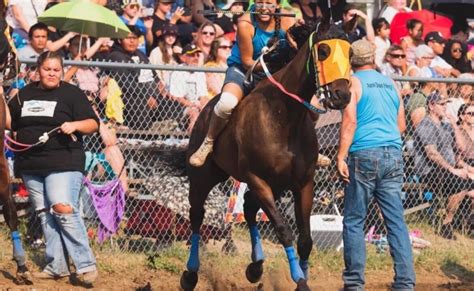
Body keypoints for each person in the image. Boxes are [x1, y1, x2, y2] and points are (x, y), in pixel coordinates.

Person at [6, 51, 99, 283]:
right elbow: (9, 122)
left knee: (62, 207)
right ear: (38, 70)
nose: (51, 73)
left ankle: (85, 264)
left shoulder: (71, 93)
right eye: (47, 69)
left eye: (56, 69)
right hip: (31, 164)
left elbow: (92, 124)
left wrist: (75, 124)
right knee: (45, 213)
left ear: (61, 71)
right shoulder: (23, 94)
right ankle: (56, 265)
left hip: (64, 161)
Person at [336, 39, 415, 290]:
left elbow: (349, 122)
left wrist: (340, 156)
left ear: (352, 60)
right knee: (395, 221)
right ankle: (405, 283)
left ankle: (354, 284)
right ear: (373, 58)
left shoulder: (353, 83)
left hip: (363, 154)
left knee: (354, 220)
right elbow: (401, 125)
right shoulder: (391, 84)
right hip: (393, 153)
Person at [189, 0, 296, 167]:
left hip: (277, 72)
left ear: (278, 4)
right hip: (244, 70)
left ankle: (304, 146)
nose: (264, 7)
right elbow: (247, 62)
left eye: (269, 2)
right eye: (260, 2)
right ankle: (208, 142)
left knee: (310, 104)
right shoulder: (245, 23)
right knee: (226, 103)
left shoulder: (288, 20)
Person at [413, 92, 473, 239]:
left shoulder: (446, 126)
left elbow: (462, 148)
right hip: (430, 170)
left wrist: (454, 124)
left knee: (467, 183)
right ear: (431, 106)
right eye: (442, 104)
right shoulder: (425, 124)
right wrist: (453, 169)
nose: (445, 107)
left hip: (450, 169)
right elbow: (431, 153)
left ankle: (466, 223)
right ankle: (447, 223)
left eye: (446, 104)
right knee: (462, 182)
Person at [106, 25, 159, 130]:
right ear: (120, 40)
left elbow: (153, 74)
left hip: (148, 93)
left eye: (134, 38)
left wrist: (160, 86)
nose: (132, 41)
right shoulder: (116, 56)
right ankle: (144, 134)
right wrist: (146, 96)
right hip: (128, 95)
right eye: (128, 38)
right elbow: (125, 83)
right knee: (138, 104)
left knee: (170, 101)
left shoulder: (140, 54)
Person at [168, 43, 208, 133]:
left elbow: (203, 96)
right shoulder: (178, 72)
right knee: (194, 113)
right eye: (192, 55)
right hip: (178, 108)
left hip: (195, 105)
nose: (196, 58)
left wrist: (204, 106)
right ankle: (192, 141)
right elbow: (177, 98)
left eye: (197, 55)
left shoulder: (200, 72)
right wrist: (193, 106)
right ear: (183, 58)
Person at [149, 23, 181, 89]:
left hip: (178, 86)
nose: (171, 37)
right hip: (161, 87)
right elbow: (155, 73)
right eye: (168, 35)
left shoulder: (179, 51)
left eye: (173, 35)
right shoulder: (156, 52)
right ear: (163, 36)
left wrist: (181, 55)